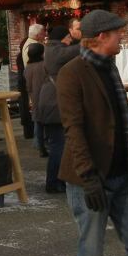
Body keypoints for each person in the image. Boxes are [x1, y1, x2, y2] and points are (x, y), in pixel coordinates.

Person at [58, 9, 128, 256]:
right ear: (101, 36)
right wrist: (89, 178)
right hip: (91, 179)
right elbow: (73, 130)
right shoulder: (71, 73)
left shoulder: (110, 67)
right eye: (117, 33)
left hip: (124, 176)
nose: (121, 37)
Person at [39, 25, 79, 193]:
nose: (70, 41)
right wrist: (91, 41)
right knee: (58, 146)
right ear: (63, 38)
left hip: (50, 102)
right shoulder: (56, 51)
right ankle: (53, 183)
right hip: (54, 104)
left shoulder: (50, 49)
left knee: (58, 145)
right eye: (69, 38)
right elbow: (76, 50)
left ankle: (56, 181)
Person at [22, 41, 48, 158]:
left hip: (34, 97)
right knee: (48, 123)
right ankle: (45, 145)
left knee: (38, 122)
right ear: (41, 53)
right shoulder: (45, 65)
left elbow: (27, 86)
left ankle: (40, 146)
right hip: (46, 96)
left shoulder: (27, 68)